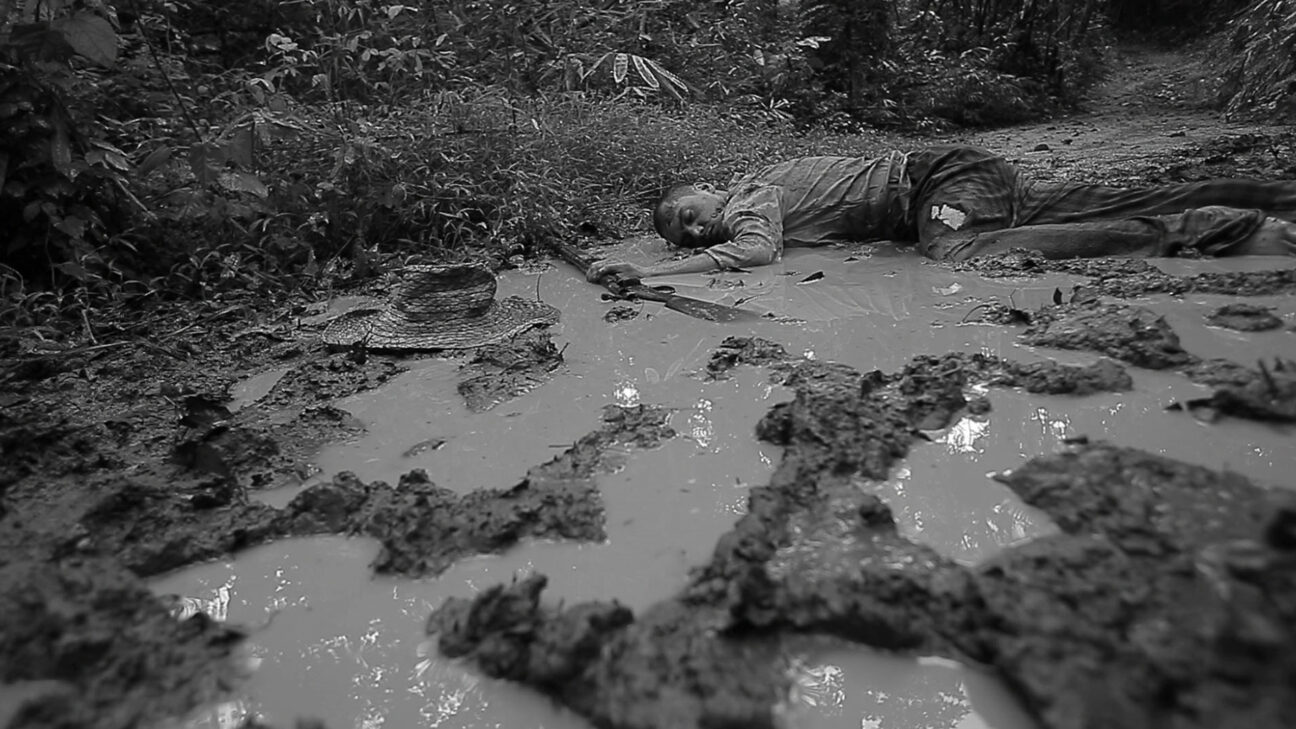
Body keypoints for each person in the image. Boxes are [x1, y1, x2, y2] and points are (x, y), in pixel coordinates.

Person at [587, 145, 1296, 281]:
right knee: (1107, 201)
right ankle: (1264, 203)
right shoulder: (761, 190)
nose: (696, 229)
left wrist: (658, 272)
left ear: (709, 190)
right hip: (966, 180)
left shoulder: (752, 195)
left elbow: (755, 252)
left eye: (689, 214)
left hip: (942, 189)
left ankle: (1196, 231)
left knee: (955, 250)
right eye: (686, 233)